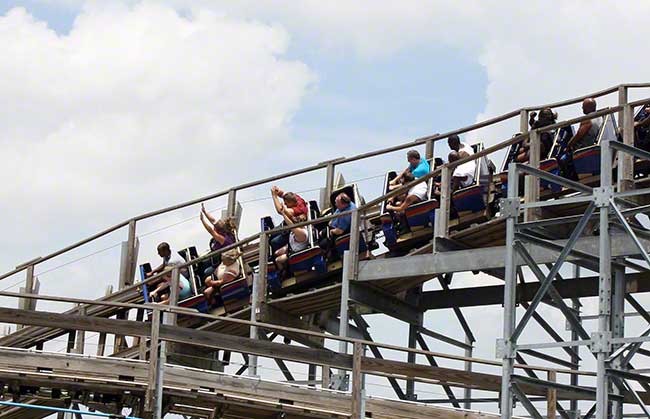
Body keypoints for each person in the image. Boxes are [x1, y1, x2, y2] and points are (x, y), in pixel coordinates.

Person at [558, 98, 601, 179]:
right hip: (594, 147)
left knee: (563, 160)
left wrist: (568, 145)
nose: (582, 108)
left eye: (583, 106)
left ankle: (570, 181)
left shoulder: (587, 119)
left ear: (588, 108)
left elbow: (578, 136)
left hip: (584, 149)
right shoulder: (600, 117)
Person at [199, 204, 237, 277]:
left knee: (206, 272)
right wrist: (205, 212)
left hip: (220, 261)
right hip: (214, 257)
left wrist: (202, 220)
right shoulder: (223, 230)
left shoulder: (223, 239)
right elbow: (213, 220)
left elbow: (211, 231)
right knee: (201, 262)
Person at [269, 186, 308, 253]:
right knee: (271, 234)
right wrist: (276, 190)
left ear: (291, 203)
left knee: (274, 242)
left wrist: (274, 196)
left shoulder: (297, 210)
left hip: (293, 230)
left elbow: (280, 211)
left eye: (286, 203)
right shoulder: (297, 198)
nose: (285, 204)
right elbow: (282, 194)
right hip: (287, 224)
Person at [319, 192, 355, 259]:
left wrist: (331, 232)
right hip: (333, 225)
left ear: (343, 205)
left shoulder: (346, 215)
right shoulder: (342, 206)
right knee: (320, 233)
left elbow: (340, 231)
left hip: (337, 232)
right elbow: (337, 212)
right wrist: (331, 221)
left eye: (337, 204)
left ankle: (326, 254)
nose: (335, 205)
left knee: (322, 245)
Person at [273, 211, 309, 278]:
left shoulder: (302, 233)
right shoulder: (298, 227)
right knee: (276, 253)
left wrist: (283, 214)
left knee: (277, 260)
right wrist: (284, 211)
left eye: (300, 220)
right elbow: (292, 219)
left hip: (296, 253)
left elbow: (290, 225)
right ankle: (285, 266)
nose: (297, 221)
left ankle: (285, 274)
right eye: (298, 219)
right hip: (291, 246)